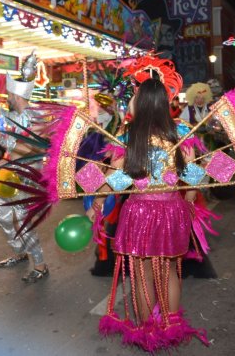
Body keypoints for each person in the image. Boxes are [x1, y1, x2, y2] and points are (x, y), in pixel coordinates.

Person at [86, 78, 207, 351]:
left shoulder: (130, 135)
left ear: (139, 103)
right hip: (172, 210)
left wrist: (99, 197)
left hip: (139, 210)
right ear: (165, 103)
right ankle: (171, 326)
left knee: (142, 274)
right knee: (169, 269)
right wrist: (188, 195)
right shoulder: (181, 132)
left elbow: (115, 178)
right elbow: (194, 177)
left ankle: (147, 332)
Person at [0, 66, 48, 283]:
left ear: (16, 94)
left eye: (9, 93)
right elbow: (5, 144)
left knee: (24, 221)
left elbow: (38, 147)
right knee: (3, 217)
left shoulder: (36, 117)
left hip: (28, 177)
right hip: (9, 177)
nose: (7, 96)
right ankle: (20, 252)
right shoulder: (7, 117)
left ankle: (40, 265)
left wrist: (8, 159)